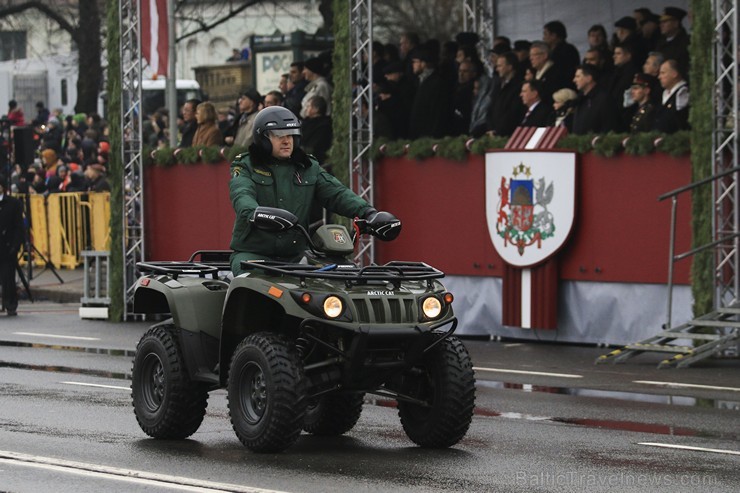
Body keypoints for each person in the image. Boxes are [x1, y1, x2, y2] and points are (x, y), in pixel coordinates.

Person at [228, 106, 398, 275]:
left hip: (296, 257)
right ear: (263, 137)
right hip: (253, 255)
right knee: (254, 284)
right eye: (279, 136)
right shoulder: (246, 165)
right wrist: (257, 214)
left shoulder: (308, 167)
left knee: (338, 279)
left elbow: (337, 193)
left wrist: (368, 213)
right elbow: (241, 195)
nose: (287, 141)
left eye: (291, 135)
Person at [408, 46, 452, 139]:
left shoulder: (436, 83)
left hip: (430, 137)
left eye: (415, 62)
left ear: (424, 63)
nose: (413, 65)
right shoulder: (421, 81)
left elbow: (438, 113)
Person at [0, 174, 25, 316]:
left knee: (8, 277)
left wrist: (15, 246)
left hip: (6, 246)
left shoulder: (13, 204)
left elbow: (18, 227)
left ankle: (10, 304)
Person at [571, 64, 619, 134]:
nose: (574, 80)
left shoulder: (604, 99)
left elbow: (610, 126)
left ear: (589, 78)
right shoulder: (580, 99)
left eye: (578, 76)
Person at [654, 59, 690, 133]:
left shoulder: (682, 92)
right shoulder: (664, 94)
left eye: (663, 73)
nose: (659, 77)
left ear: (674, 74)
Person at [656, 7, 690, 76]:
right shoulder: (660, 42)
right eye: (661, 22)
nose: (661, 25)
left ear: (676, 23)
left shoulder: (685, 42)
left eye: (665, 22)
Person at [301, 96, 332, 164]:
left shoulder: (323, 126)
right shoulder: (306, 122)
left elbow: (314, 147)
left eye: (308, 106)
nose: (306, 109)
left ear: (316, 109)